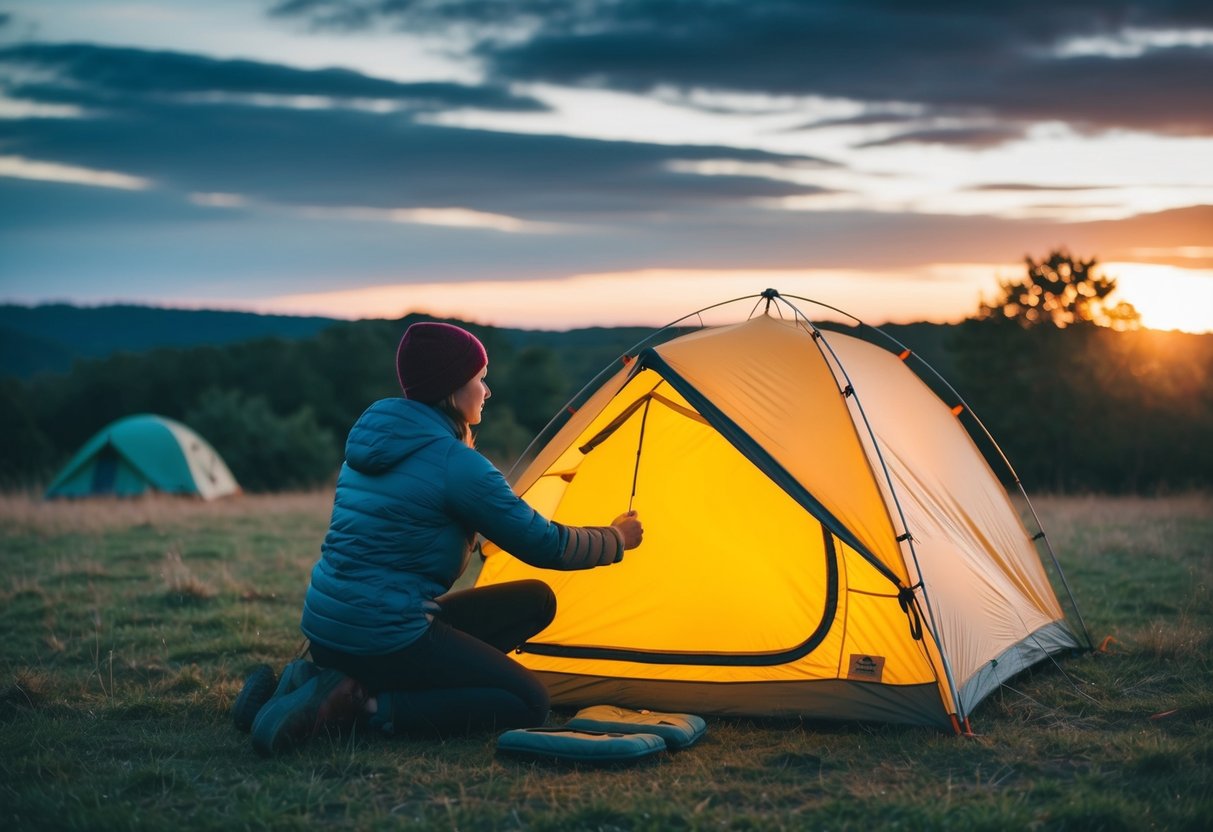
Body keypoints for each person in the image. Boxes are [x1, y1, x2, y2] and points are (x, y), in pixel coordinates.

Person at [251, 322, 643, 755]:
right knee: (528, 701)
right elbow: (544, 544)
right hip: (385, 634)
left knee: (536, 600)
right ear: (453, 389)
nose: (487, 391)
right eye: (480, 379)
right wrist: (615, 539)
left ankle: (310, 682)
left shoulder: (369, 445)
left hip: (330, 630)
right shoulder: (454, 463)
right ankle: (364, 708)